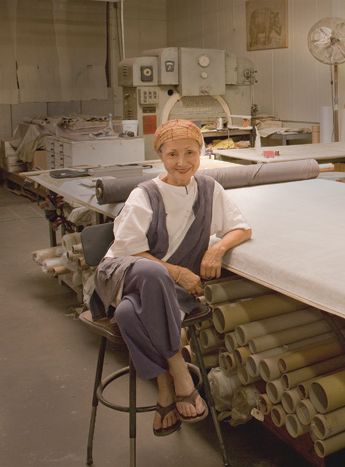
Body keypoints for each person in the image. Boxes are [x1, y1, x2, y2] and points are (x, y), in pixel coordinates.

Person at [91, 119, 252, 436]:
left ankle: (165, 391)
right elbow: (129, 251)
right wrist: (176, 271)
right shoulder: (145, 194)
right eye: (172, 154)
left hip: (164, 291)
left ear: (200, 153)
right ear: (160, 157)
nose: (182, 162)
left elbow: (241, 228)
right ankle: (180, 372)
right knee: (153, 272)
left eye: (190, 152)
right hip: (124, 274)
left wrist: (216, 249)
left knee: (127, 314)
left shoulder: (209, 189)